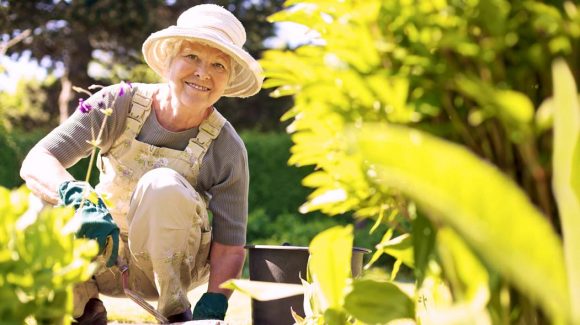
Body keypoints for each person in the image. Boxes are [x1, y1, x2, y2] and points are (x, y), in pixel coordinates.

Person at [20, 4, 263, 324]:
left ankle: (175, 312)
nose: (203, 73)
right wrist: (76, 194)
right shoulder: (116, 104)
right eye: (191, 57)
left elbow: (230, 245)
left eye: (218, 64)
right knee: (42, 200)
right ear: (169, 62)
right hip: (99, 255)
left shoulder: (226, 147)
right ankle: (80, 308)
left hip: (169, 271)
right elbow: (38, 160)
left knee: (162, 183)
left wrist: (215, 301)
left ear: (228, 78)